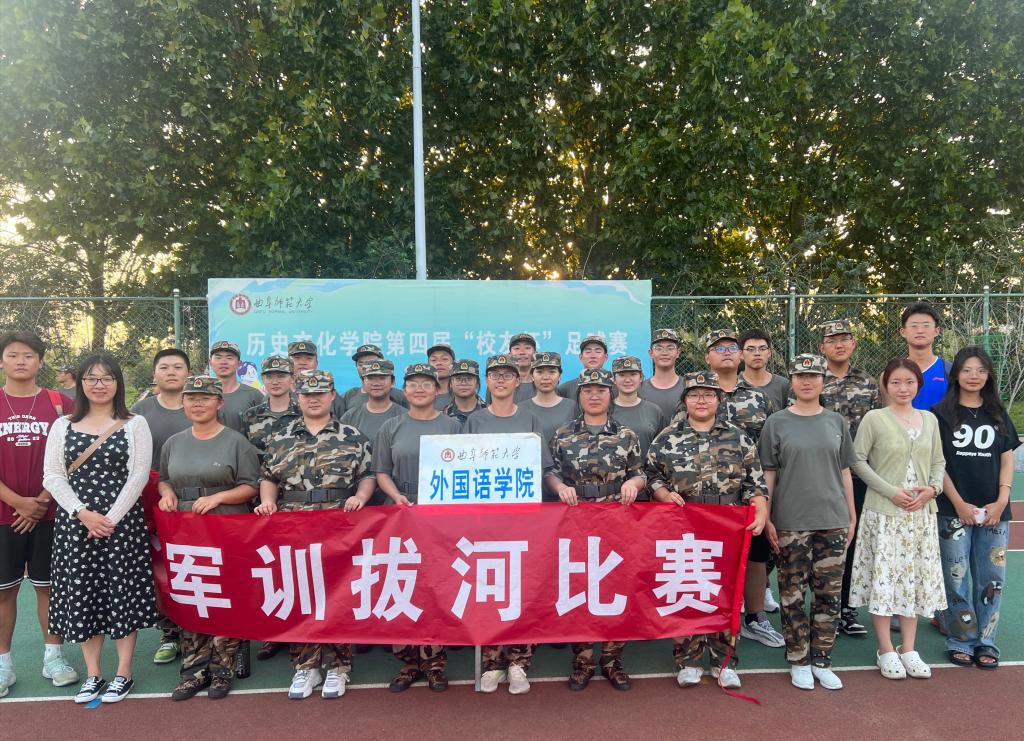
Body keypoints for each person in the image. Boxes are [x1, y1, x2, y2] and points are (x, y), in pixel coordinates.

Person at [42, 353, 157, 704]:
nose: (99, 384)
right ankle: (93, 674)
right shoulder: (62, 425)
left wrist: (108, 519)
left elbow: (138, 476)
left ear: (118, 383)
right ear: (81, 383)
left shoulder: (134, 423)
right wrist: (83, 514)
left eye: (107, 378)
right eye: (91, 378)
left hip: (121, 526)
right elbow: (52, 475)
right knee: (83, 595)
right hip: (75, 526)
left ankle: (123, 673)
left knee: (122, 594)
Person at [258, 369, 377, 699]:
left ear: (332, 396)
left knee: (338, 594)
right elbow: (268, 477)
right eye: (307, 394)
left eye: (320, 393)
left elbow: (367, 475)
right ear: (298, 397)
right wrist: (268, 501)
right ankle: (305, 665)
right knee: (301, 592)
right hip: (293, 524)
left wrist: (361, 497)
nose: (313, 399)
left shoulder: (352, 436)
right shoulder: (280, 437)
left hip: (339, 523)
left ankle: (339, 666)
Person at [647, 372, 769, 690]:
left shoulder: (738, 437)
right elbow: (651, 474)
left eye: (708, 394)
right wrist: (662, 493)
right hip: (684, 525)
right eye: (694, 395)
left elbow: (755, 482)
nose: (701, 400)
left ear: (719, 399)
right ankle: (687, 660)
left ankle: (723, 660)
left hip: (727, 526)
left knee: (724, 593)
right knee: (685, 589)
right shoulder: (667, 437)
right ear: (684, 400)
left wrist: (760, 510)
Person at [157, 376, 260, 700]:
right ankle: (194, 670)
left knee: (225, 597)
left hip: (226, 528)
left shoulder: (236, 442)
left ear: (219, 403)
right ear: (183, 403)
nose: (198, 403)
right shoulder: (174, 442)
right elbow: (164, 478)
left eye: (205, 398)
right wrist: (166, 493)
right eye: (191, 398)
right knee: (193, 595)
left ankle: (222, 669)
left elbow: (251, 486)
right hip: (185, 531)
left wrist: (219, 498)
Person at [546, 368, 645, 692]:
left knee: (616, 586)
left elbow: (640, 472)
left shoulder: (626, 434)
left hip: (617, 520)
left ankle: (613, 660)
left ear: (610, 395)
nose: (594, 396)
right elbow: (551, 472)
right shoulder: (563, 434)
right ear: (579, 396)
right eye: (587, 390)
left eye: (601, 390)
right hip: (576, 520)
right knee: (579, 587)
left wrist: (633, 483)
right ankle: (584, 661)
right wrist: (560, 487)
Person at [760, 354, 855, 691]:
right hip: (791, 521)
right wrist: (767, 516)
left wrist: (851, 515)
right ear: (792, 381)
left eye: (813, 375)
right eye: (800, 376)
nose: (807, 381)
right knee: (792, 594)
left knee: (828, 596)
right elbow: (768, 473)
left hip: (832, 519)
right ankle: (799, 659)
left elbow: (845, 471)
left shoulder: (836, 421)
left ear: (822, 381)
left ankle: (822, 659)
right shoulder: (777, 422)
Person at [848, 358, 946, 680]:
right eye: (895, 382)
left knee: (912, 579)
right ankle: (886, 648)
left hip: (920, 516)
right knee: (885, 579)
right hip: (884, 514)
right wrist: (891, 491)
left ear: (918, 385)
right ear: (885, 385)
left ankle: (909, 648)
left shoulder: (930, 420)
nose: (903, 388)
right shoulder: (874, 419)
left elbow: (939, 461)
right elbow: (857, 460)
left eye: (909, 382)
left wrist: (932, 490)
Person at [465, 355, 553, 696]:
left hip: (523, 520)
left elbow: (543, 467)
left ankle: (519, 661)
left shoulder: (530, 418)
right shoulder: (474, 421)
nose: (501, 380)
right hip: (484, 522)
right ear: (486, 381)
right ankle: (492, 663)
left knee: (521, 589)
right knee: (488, 588)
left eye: (507, 375)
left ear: (519, 381)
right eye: (495, 375)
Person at [374, 364, 462, 693]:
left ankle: (435, 661)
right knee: (403, 583)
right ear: (404, 390)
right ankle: (408, 662)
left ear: (438, 389)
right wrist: (396, 495)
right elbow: (381, 470)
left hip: (441, 515)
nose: (420, 389)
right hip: (400, 512)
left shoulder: (453, 426)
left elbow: (466, 469)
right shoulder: (391, 426)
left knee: (436, 587)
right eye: (413, 384)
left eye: (427, 383)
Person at [0, 331, 78, 698]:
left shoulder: (59, 403)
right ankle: (3, 664)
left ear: (40, 361)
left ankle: (54, 658)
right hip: (5, 514)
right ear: (2, 360)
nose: (21, 361)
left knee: (50, 588)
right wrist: (18, 502)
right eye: (13, 354)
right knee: (5, 592)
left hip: (51, 513)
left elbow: (76, 454)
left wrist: (43, 500)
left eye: (29, 355)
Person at [932, 346, 1019, 670]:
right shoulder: (940, 414)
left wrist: (1002, 501)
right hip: (953, 510)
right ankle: (961, 639)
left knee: (992, 579)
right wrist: (958, 503)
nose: (974, 376)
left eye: (980, 370)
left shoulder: (997, 413)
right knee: (956, 578)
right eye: (967, 370)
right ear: (956, 374)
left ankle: (986, 640)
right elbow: (937, 463)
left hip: (994, 512)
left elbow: (1007, 459)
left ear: (988, 375)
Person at [698, 329, 782, 646]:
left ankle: (755, 617)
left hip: (749, 491)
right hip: (706, 495)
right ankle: (710, 617)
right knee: (709, 556)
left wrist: (765, 495)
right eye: (718, 348)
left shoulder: (759, 398)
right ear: (707, 357)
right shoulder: (697, 394)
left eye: (732, 347)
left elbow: (771, 449)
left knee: (756, 555)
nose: (727, 353)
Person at [813, 319, 881, 638]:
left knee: (852, 539)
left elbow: (877, 427)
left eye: (845, 339)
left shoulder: (868, 383)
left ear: (854, 344)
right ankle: (821, 607)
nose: (839, 344)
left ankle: (846, 608)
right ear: (822, 347)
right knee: (818, 542)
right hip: (819, 475)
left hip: (858, 473)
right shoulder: (813, 380)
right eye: (832, 340)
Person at [130, 347, 193, 665]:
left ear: (188, 373)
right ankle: (169, 633)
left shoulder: (198, 404)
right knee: (159, 567)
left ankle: (198, 629)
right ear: (155, 373)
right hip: (151, 500)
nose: (171, 372)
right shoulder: (140, 410)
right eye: (164, 367)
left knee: (193, 563)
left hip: (194, 500)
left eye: (178, 367)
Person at [340, 359, 405, 505]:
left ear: (393, 381)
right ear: (363, 381)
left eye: (382, 378)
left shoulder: (404, 416)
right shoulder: (349, 417)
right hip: (358, 496)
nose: (376, 383)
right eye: (370, 378)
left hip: (396, 494)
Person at [241, 355, 301, 461]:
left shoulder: (303, 414)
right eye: (269, 377)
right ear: (262, 379)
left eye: (281, 376)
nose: (275, 382)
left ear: (292, 378)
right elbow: (244, 454)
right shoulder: (251, 416)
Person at [611, 355, 667, 459]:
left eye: (633, 374)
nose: (627, 380)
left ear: (640, 377)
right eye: (622, 375)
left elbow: (662, 448)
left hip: (648, 469)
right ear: (614, 379)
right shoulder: (605, 411)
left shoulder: (654, 411)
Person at [899, 301, 950, 411]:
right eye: (914, 326)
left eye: (926, 325)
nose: (920, 331)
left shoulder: (950, 371)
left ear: (936, 331)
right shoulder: (893, 374)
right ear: (903, 332)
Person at [520, 352, 576, 445]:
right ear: (532, 376)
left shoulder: (572, 406)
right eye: (539, 372)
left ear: (560, 376)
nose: (546, 377)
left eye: (552, 372)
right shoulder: (521, 409)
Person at [208, 340, 263, 432]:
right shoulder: (202, 395)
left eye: (229, 358)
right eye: (218, 357)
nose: (223, 362)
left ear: (239, 364)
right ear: (210, 363)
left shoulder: (253, 395)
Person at [338, 344, 409, 412]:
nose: (365, 367)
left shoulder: (400, 396)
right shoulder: (349, 396)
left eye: (371, 362)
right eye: (361, 364)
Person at [738, 329, 789, 412]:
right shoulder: (733, 385)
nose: (757, 353)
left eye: (762, 349)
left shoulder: (783, 385)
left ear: (769, 353)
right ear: (741, 354)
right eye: (750, 349)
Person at [640, 328, 684, 422]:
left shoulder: (688, 387)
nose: (664, 353)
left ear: (678, 352)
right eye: (659, 348)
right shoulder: (640, 389)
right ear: (651, 353)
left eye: (670, 348)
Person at [486, 333, 537, 403]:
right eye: (517, 348)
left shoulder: (541, 382)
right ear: (509, 354)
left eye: (527, 348)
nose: (522, 352)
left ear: (535, 353)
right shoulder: (499, 383)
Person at [444, 359, 486, 424]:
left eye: (469, 379)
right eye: (458, 379)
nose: (463, 383)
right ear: (451, 384)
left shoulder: (489, 412)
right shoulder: (443, 415)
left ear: (477, 383)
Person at [427, 342, 457, 410]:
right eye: (434, 360)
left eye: (444, 359)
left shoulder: (462, 394)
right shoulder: (420, 395)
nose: (439, 363)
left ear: (453, 364)